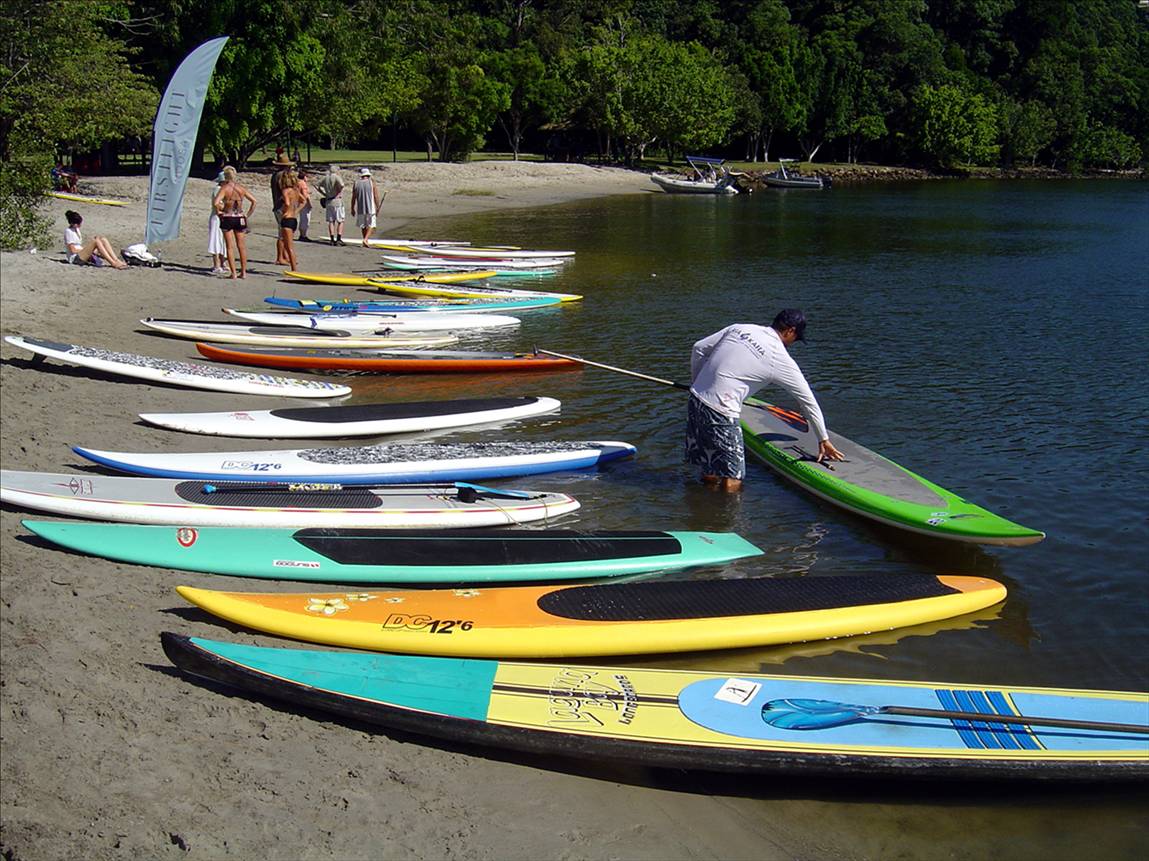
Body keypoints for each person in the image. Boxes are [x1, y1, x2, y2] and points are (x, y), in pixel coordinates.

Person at [685, 309, 844, 492]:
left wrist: (697, 383)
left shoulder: (740, 328)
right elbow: (808, 402)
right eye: (796, 338)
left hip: (696, 400)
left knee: (710, 466)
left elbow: (698, 348)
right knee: (733, 475)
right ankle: (725, 518)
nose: (792, 344)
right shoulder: (779, 357)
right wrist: (823, 439)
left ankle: (704, 509)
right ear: (790, 331)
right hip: (721, 411)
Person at [212, 165, 257, 279]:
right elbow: (254, 201)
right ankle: (243, 272)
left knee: (230, 246)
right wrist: (247, 214)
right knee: (241, 246)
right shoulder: (241, 188)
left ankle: (233, 273)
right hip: (240, 217)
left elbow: (216, 202)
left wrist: (220, 210)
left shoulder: (224, 188)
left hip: (228, 217)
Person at [63, 210, 128, 269]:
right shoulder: (68, 231)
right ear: (72, 223)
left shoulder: (76, 230)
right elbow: (73, 250)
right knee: (96, 242)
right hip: (75, 258)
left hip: (80, 253)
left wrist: (89, 250)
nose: (79, 225)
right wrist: (87, 250)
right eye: (77, 224)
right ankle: (113, 263)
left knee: (103, 239)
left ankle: (116, 260)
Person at [270, 151, 293, 264]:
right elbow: (284, 192)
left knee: (283, 233)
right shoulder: (281, 176)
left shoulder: (275, 175)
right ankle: (280, 257)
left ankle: (284, 255)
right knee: (282, 233)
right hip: (281, 207)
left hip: (278, 206)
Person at [277, 167, 302, 271]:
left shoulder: (285, 191)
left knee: (289, 247)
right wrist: (296, 211)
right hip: (293, 219)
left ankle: (294, 269)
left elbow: (287, 203)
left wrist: (285, 211)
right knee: (289, 245)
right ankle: (293, 268)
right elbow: (304, 200)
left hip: (287, 219)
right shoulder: (295, 191)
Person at [350, 167, 382, 247]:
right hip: (370, 207)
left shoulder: (356, 183)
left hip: (360, 208)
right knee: (371, 225)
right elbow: (376, 196)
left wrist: (352, 208)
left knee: (363, 225)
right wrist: (378, 206)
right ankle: (365, 239)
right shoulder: (371, 183)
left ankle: (365, 240)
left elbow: (353, 197)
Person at [317, 164, 346, 246]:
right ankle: (339, 238)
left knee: (331, 221)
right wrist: (338, 192)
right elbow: (342, 185)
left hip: (328, 201)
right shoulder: (336, 177)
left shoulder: (326, 178)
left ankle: (332, 239)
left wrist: (324, 194)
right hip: (337, 200)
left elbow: (318, 186)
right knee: (340, 220)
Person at [207, 171, 227, 274]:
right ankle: (216, 265)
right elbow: (218, 205)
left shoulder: (223, 189)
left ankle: (223, 263)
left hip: (222, 218)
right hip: (216, 218)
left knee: (223, 241)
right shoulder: (218, 190)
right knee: (216, 241)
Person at [295, 168, 313, 242]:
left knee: (302, 219)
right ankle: (303, 235)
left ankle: (302, 234)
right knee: (306, 219)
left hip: (298, 202)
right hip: (304, 204)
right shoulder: (303, 184)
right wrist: (310, 204)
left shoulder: (297, 182)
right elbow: (306, 196)